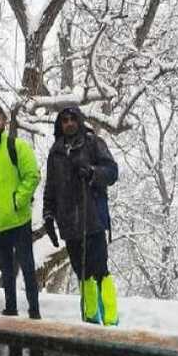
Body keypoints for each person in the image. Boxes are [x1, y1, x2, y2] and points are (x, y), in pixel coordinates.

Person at [42, 105, 119, 325]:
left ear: (79, 120)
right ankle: (91, 318)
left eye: (72, 119)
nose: (68, 123)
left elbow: (112, 172)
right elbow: (51, 187)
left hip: (92, 218)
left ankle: (111, 320)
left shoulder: (93, 143)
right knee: (81, 273)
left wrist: (93, 173)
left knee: (100, 270)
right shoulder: (55, 152)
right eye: (64, 120)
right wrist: (48, 215)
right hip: (68, 224)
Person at [0, 103, 41, 319]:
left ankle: (34, 311)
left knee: (28, 269)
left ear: (4, 122)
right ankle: (11, 309)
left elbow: (32, 175)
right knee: (6, 271)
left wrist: (17, 201)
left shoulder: (17, 146)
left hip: (19, 221)